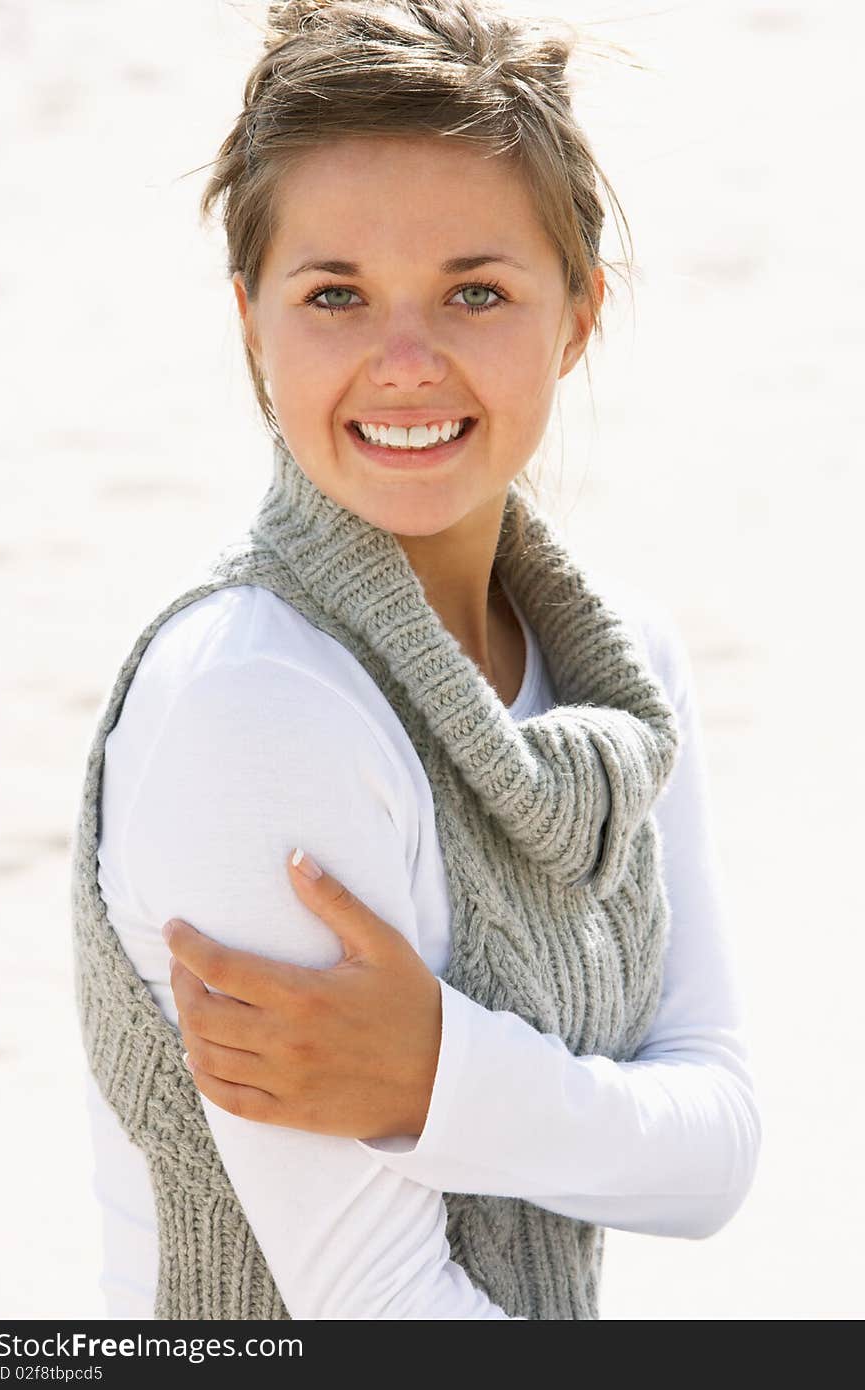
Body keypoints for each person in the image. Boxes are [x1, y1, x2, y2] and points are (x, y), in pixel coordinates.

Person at [74, 0, 762, 1320]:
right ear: (252, 324)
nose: (404, 364)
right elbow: (375, 1306)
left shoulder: (625, 682)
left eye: (477, 292)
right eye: (335, 294)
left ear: (577, 318)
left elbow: (718, 1145)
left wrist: (442, 1074)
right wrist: (528, 1106)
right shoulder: (254, 701)